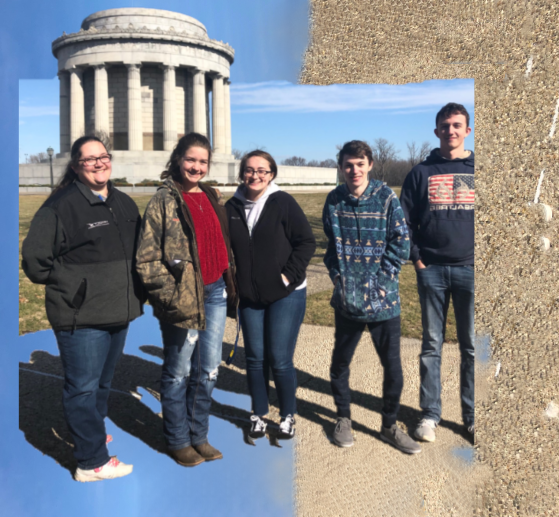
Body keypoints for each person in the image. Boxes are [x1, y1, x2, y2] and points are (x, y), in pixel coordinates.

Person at [22, 135, 145, 482]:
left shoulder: (122, 202)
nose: (98, 163)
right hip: (81, 316)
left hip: (118, 311)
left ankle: (91, 432)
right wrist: (74, 286)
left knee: (102, 383)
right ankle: (91, 462)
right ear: (76, 165)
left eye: (103, 157)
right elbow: (35, 262)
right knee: (82, 388)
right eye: (89, 159)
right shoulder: (60, 206)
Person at [135, 132, 237, 467]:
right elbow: (147, 261)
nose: (196, 166)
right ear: (178, 159)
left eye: (202, 161)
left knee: (208, 370)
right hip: (184, 298)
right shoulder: (163, 200)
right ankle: (178, 440)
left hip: (215, 293)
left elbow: (220, 243)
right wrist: (172, 297)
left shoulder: (210, 195)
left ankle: (199, 436)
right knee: (178, 372)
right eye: (190, 159)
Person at [322, 140, 421, 454]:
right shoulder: (334, 201)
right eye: (348, 165)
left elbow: (401, 242)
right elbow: (330, 247)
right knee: (340, 363)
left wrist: (382, 280)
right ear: (341, 167)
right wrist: (337, 277)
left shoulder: (385, 198)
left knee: (392, 368)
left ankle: (389, 425)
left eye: (360, 164)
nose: (354, 170)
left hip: (383, 302)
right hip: (347, 301)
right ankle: (343, 418)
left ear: (370, 165)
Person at [226, 150, 316, 440]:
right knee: (254, 357)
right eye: (250, 170)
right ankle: (259, 413)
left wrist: (287, 275)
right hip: (250, 295)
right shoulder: (231, 206)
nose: (255, 175)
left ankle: (288, 414)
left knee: (279, 358)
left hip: (285, 293)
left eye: (262, 171)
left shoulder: (283, 202)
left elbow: (306, 242)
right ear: (242, 173)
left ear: (272, 174)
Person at [399, 103, 475, 442]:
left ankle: (473, 417)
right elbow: (404, 222)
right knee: (431, 345)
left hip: (471, 271)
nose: (451, 131)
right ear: (436, 131)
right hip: (431, 271)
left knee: (473, 348)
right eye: (445, 126)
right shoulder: (421, 172)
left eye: (457, 125)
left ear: (467, 130)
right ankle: (429, 415)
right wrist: (416, 259)